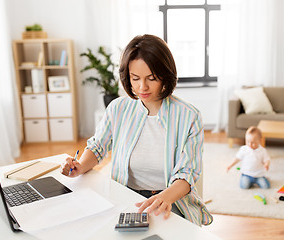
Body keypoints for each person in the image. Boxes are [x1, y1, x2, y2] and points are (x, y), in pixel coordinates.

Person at [60, 34, 212, 226]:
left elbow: (188, 173)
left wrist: (163, 199)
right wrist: (80, 166)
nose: (143, 87)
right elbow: (98, 147)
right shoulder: (118, 108)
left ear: (165, 75)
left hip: (170, 200)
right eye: (135, 78)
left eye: (152, 78)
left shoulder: (189, 116)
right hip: (124, 195)